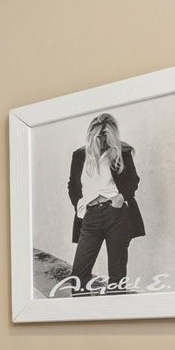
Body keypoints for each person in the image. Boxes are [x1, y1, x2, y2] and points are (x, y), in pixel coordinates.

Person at [67, 112, 145, 292]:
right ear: (92, 134)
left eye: (106, 135)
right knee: (78, 275)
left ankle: (115, 314)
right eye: (99, 135)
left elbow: (133, 180)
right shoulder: (80, 155)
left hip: (116, 214)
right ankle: (82, 316)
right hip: (91, 215)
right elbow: (73, 185)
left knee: (117, 274)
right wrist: (80, 207)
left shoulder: (121, 153)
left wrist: (121, 198)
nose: (102, 140)